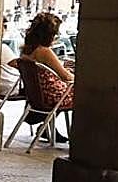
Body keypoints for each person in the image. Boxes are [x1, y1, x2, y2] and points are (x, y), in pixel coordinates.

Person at [16, 11, 74, 141]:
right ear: (49, 35)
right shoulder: (44, 51)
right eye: (55, 33)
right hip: (51, 96)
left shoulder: (27, 50)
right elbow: (66, 77)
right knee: (85, 95)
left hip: (36, 96)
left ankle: (47, 127)